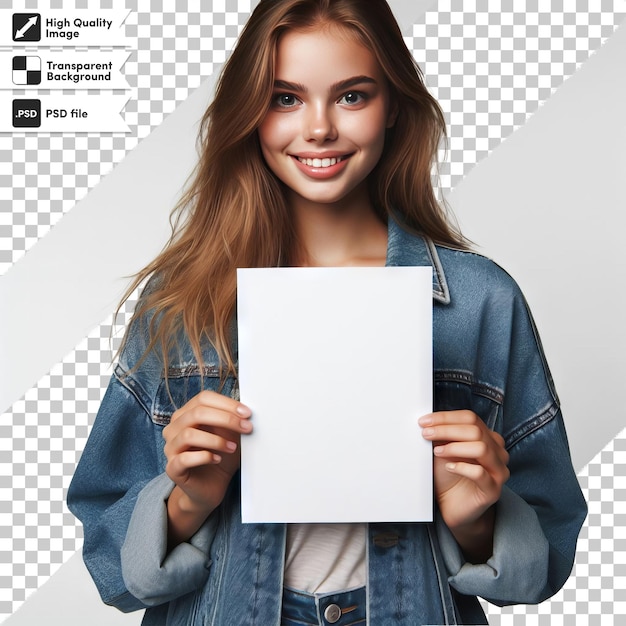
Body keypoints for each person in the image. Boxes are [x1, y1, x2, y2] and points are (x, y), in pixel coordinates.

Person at [67, 1, 587, 624]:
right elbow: (108, 561)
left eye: (352, 96)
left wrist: (474, 517)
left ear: (393, 105)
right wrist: (185, 502)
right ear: (250, 113)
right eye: (286, 98)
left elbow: (543, 563)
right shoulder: (181, 303)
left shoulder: (480, 301)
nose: (318, 129)